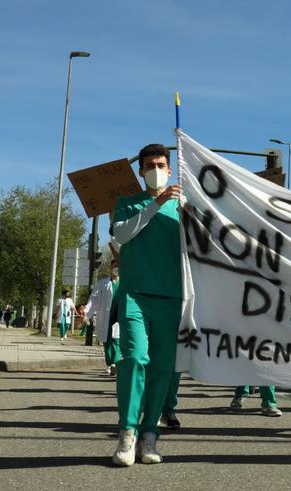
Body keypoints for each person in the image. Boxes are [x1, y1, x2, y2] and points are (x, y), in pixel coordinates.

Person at [110, 143, 183, 466]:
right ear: (141, 170)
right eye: (150, 164)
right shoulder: (127, 204)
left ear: (171, 170)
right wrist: (155, 204)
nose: (156, 169)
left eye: (161, 164)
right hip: (135, 295)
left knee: (162, 369)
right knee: (135, 359)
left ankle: (150, 434)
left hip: (172, 297)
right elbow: (122, 236)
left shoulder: (183, 206)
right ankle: (128, 433)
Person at [85, 258, 121, 376]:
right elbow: (93, 300)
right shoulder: (102, 283)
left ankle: (114, 364)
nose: (116, 268)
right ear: (111, 268)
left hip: (119, 316)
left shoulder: (126, 283)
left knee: (116, 340)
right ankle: (110, 363)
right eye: (114, 266)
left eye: (118, 266)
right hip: (105, 316)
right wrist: (87, 313)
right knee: (107, 342)